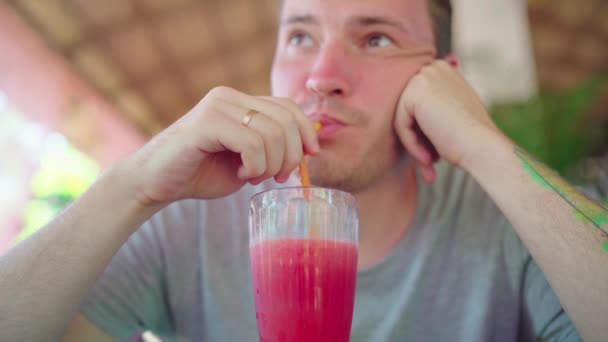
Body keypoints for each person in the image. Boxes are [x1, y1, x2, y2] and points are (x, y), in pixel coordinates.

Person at [1, 0, 607, 341]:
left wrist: (483, 143)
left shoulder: (511, 223)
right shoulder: (190, 220)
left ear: (442, 78)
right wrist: (135, 183)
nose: (321, 74)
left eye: (375, 39)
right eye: (298, 37)